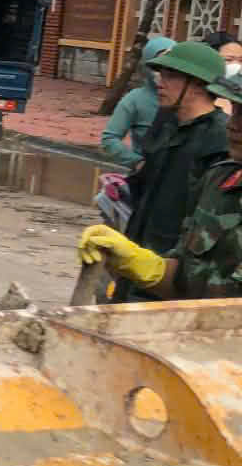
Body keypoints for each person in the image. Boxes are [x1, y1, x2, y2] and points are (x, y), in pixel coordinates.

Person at [79, 72, 242, 300]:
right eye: (235, 111)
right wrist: (140, 265)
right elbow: (184, 283)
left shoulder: (213, 146)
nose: (233, 125)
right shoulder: (220, 181)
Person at [118, 40, 230, 282]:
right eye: (160, 74)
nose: (160, 82)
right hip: (138, 258)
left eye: (170, 75)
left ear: (198, 84)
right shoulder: (166, 124)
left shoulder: (219, 139)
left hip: (176, 274)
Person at [100, 35, 175, 168]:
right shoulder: (135, 100)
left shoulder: (188, 97)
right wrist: (138, 162)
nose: (164, 72)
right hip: (146, 177)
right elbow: (110, 139)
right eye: (157, 66)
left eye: (171, 64)